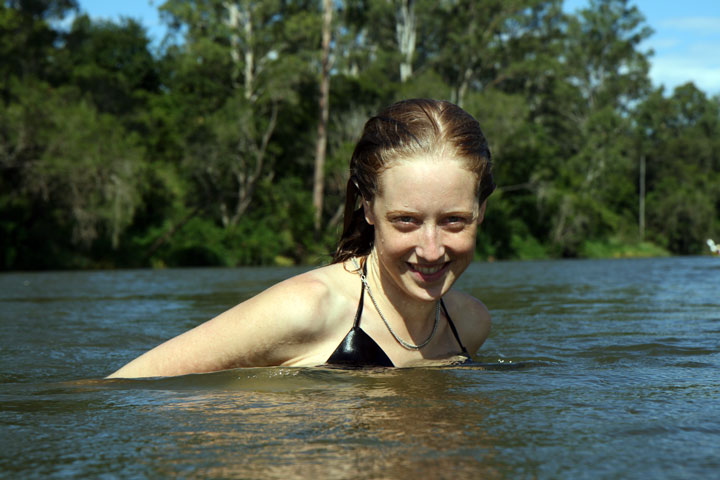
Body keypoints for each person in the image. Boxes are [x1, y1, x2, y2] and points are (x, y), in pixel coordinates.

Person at [107, 98, 496, 378]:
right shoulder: (309, 309)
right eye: (406, 220)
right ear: (368, 209)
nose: (431, 249)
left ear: (480, 212)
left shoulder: (469, 324)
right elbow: (119, 393)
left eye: (454, 221)